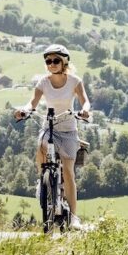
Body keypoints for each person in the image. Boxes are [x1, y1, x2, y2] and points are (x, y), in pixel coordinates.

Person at [14, 44, 91, 230]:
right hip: (50, 126)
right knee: (40, 143)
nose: (52, 64)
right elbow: (32, 103)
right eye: (48, 61)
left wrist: (85, 111)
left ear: (64, 62)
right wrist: (24, 110)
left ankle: (73, 217)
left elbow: (85, 101)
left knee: (68, 172)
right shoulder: (43, 82)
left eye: (56, 60)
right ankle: (43, 180)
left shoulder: (75, 81)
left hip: (68, 129)